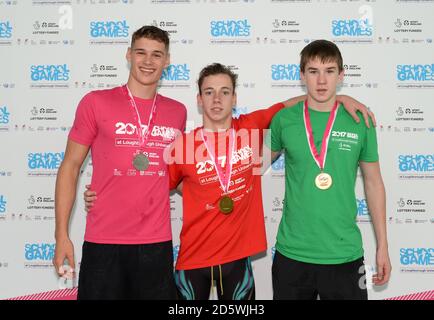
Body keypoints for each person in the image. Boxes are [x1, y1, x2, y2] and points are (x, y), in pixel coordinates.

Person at [86, 62, 373, 300]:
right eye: (209, 92)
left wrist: (341, 98)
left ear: (235, 98)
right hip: (192, 260)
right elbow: (156, 184)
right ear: (199, 99)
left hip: (237, 261)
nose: (217, 99)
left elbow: (295, 102)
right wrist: (101, 196)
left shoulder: (250, 128)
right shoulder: (182, 145)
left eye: (225, 92)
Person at [53, 26, 187, 300]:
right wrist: (61, 235)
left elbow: (178, 178)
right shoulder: (95, 103)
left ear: (167, 60)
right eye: (141, 52)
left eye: (157, 55)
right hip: (104, 244)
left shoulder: (178, 112)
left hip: (156, 244)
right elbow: (70, 166)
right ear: (128, 55)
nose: (148, 62)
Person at [268, 40, 391, 300]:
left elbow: (373, 183)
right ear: (302, 75)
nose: (321, 81)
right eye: (313, 71)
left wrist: (383, 247)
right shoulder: (283, 120)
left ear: (341, 75)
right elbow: (251, 169)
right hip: (292, 255)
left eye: (330, 71)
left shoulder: (361, 121)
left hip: (344, 255)